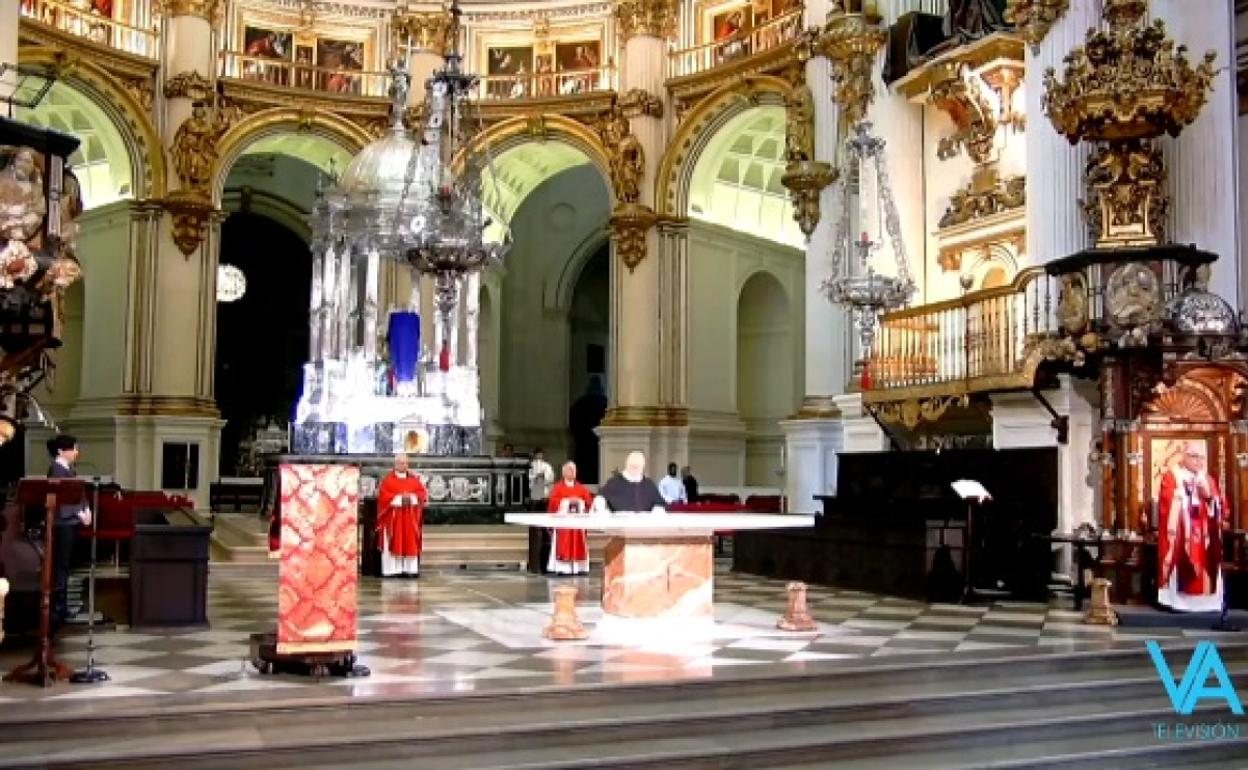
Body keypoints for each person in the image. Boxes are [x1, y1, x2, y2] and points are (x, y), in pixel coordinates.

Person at [1157, 441, 1226, 612]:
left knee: (1207, 564)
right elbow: (1167, 502)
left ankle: (1208, 603)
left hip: (1205, 533)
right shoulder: (1172, 476)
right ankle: (1179, 603)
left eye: (1201, 457)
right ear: (1184, 456)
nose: (1199, 461)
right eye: (1194, 457)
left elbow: (1221, 506)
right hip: (1183, 531)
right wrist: (1182, 495)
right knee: (1184, 560)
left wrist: (1208, 495)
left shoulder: (1208, 479)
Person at [46, 434, 90, 624]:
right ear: (61, 451)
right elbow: (62, 498)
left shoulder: (67, 469)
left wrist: (86, 509)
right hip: (62, 524)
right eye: (74, 448)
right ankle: (58, 609)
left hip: (71, 523)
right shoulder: (56, 470)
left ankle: (62, 607)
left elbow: (78, 492)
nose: (77, 452)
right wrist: (80, 513)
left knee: (66, 565)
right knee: (61, 566)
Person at [376, 454, 428, 578]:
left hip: (410, 518)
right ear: (396, 464)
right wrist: (399, 499)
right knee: (393, 541)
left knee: (410, 542)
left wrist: (411, 498)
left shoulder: (414, 480)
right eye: (401, 463)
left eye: (406, 463)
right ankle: (392, 570)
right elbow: (383, 498)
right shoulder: (388, 480)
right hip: (393, 519)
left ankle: (410, 570)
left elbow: (421, 494)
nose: (404, 465)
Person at [546, 461, 593, 575]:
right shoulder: (558, 488)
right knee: (563, 540)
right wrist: (565, 502)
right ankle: (563, 568)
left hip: (578, 523)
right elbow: (552, 503)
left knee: (579, 541)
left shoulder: (581, 488)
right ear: (564, 472)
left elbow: (589, 503)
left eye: (574, 470)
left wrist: (580, 502)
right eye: (569, 470)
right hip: (563, 523)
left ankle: (580, 568)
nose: (572, 472)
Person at [595, 451, 666, 513]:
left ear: (643, 467)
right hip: (619, 524)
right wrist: (602, 509)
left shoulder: (649, 484)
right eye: (633, 465)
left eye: (638, 466)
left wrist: (657, 511)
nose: (635, 468)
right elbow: (600, 498)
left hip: (644, 525)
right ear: (626, 465)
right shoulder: (614, 483)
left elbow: (659, 503)